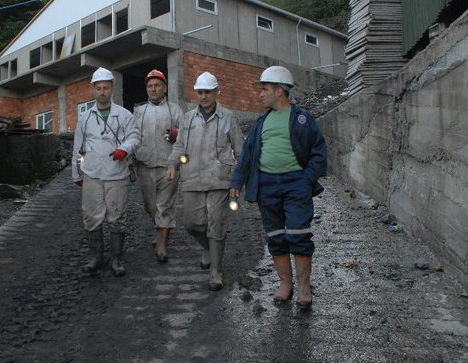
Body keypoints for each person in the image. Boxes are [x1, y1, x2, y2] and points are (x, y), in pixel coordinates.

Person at [229, 66, 327, 309]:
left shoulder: (302, 119)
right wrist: (236, 182)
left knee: (298, 233)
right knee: (275, 235)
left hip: (296, 184)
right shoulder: (261, 122)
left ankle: (304, 286)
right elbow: (247, 155)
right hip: (267, 186)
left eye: (264, 89)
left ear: (279, 91)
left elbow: (319, 152)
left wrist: (307, 179)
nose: (260, 94)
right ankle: (286, 284)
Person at [166, 72, 244, 291]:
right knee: (191, 224)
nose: (204, 96)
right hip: (192, 178)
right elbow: (179, 146)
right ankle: (209, 248)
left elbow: (240, 149)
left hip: (220, 179)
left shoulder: (228, 117)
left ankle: (216, 272)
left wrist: (238, 179)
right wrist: (172, 164)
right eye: (200, 92)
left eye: (208, 92)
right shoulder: (187, 119)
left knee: (216, 224)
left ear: (216, 92)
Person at [73, 67, 140, 277]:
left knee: (117, 217)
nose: (102, 92)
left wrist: (125, 149)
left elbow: (135, 137)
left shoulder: (124, 115)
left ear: (112, 89)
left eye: (106, 88)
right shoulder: (85, 117)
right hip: (92, 173)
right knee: (91, 216)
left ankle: (116, 259)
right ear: (93, 89)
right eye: (99, 88)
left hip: (116, 174)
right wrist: (77, 174)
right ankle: (95, 257)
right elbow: (78, 147)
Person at [133, 69, 184, 263]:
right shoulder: (139, 111)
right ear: (146, 89)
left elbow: (186, 132)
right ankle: (162, 229)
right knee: (150, 206)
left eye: (157, 85)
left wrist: (177, 134)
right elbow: (131, 135)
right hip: (145, 165)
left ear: (165, 88)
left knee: (165, 205)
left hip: (168, 165)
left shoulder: (175, 109)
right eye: (150, 86)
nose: (153, 89)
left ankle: (162, 242)